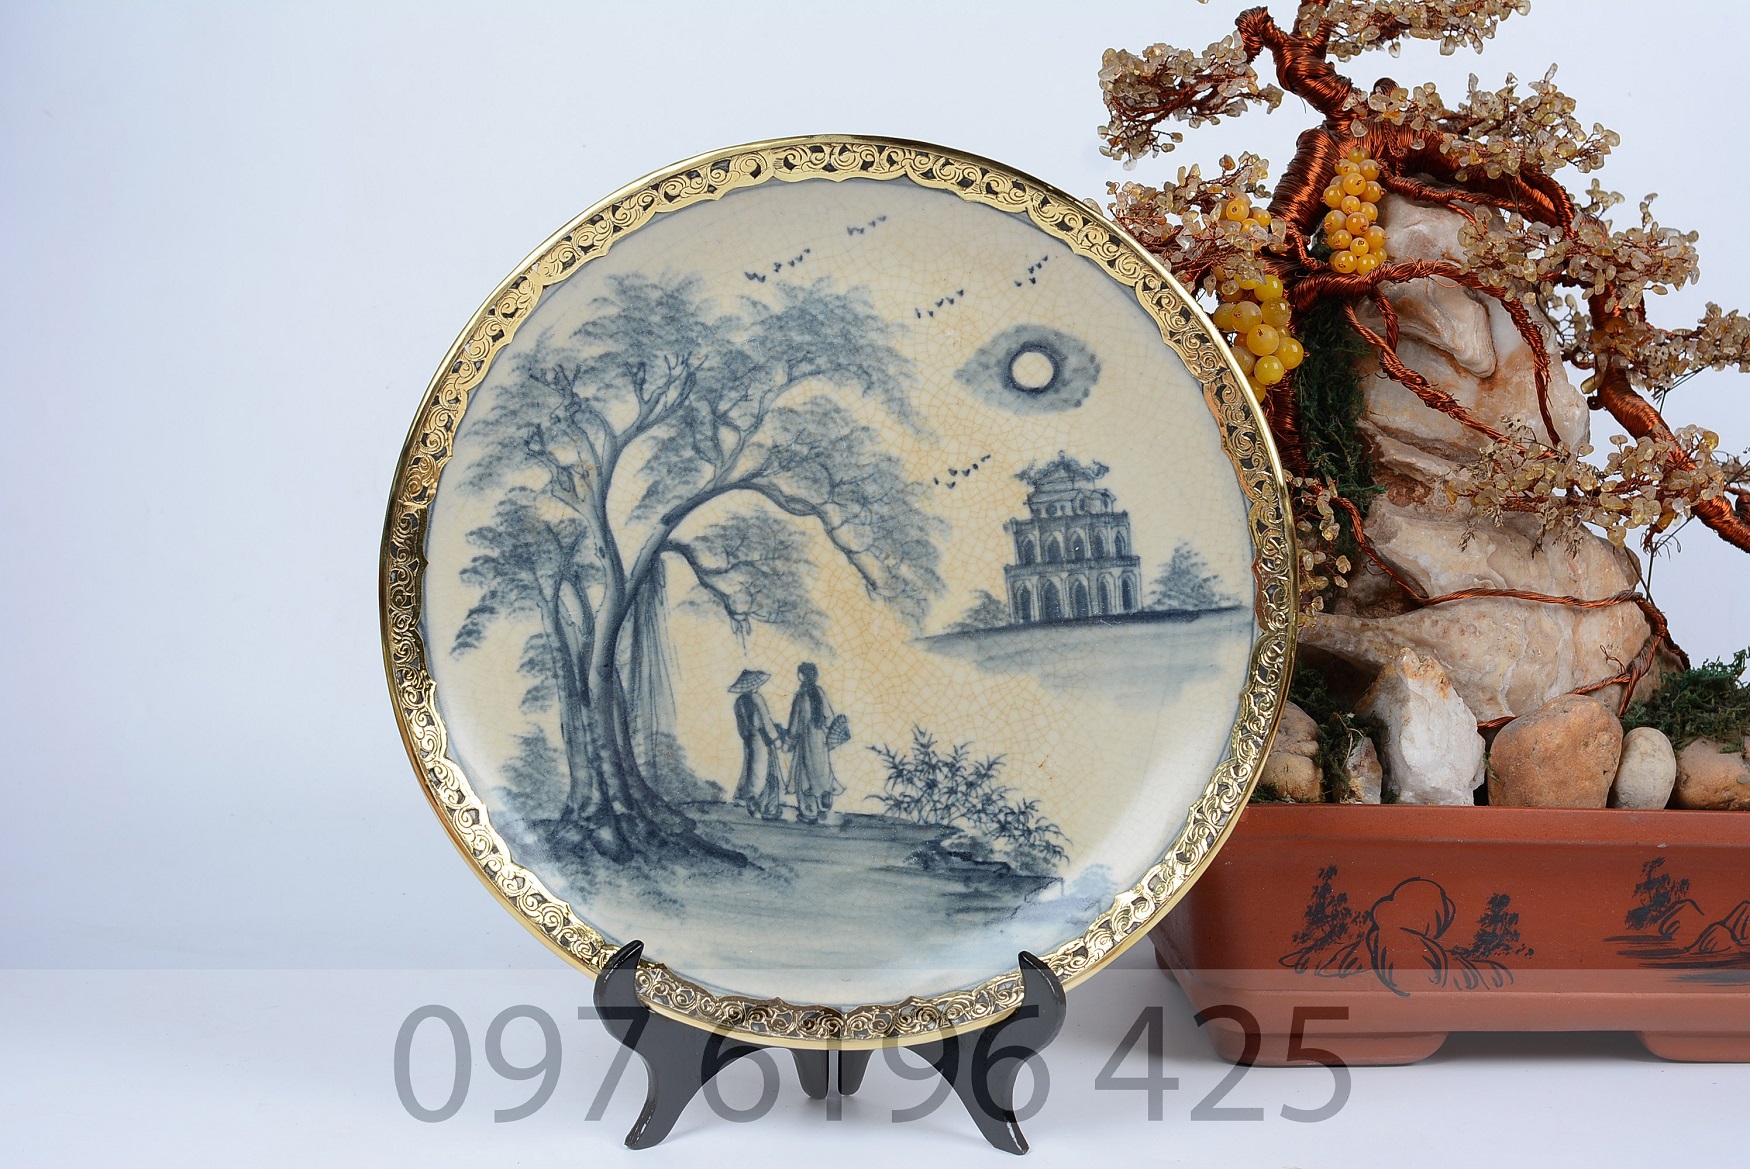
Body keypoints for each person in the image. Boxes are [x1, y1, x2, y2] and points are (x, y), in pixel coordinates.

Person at [785, 662, 846, 823]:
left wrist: (789, 739)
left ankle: (809, 812)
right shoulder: (819, 692)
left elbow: (794, 724)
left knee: (805, 775)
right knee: (823, 770)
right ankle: (825, 796)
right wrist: (827, 731)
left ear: (802, 676)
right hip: (820, 738)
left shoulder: (800, 696)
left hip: (805, 740)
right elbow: (830, 716)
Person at [728, 669, 786, 820]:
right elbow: (766, 721)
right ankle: (766, 807)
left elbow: (741, 727)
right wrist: (776, 739)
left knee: (751, 771)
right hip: (763, 738)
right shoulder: (757, 698)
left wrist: (747, 736)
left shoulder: (738, 702)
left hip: (749, 739)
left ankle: (754, 804)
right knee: (767, 771)